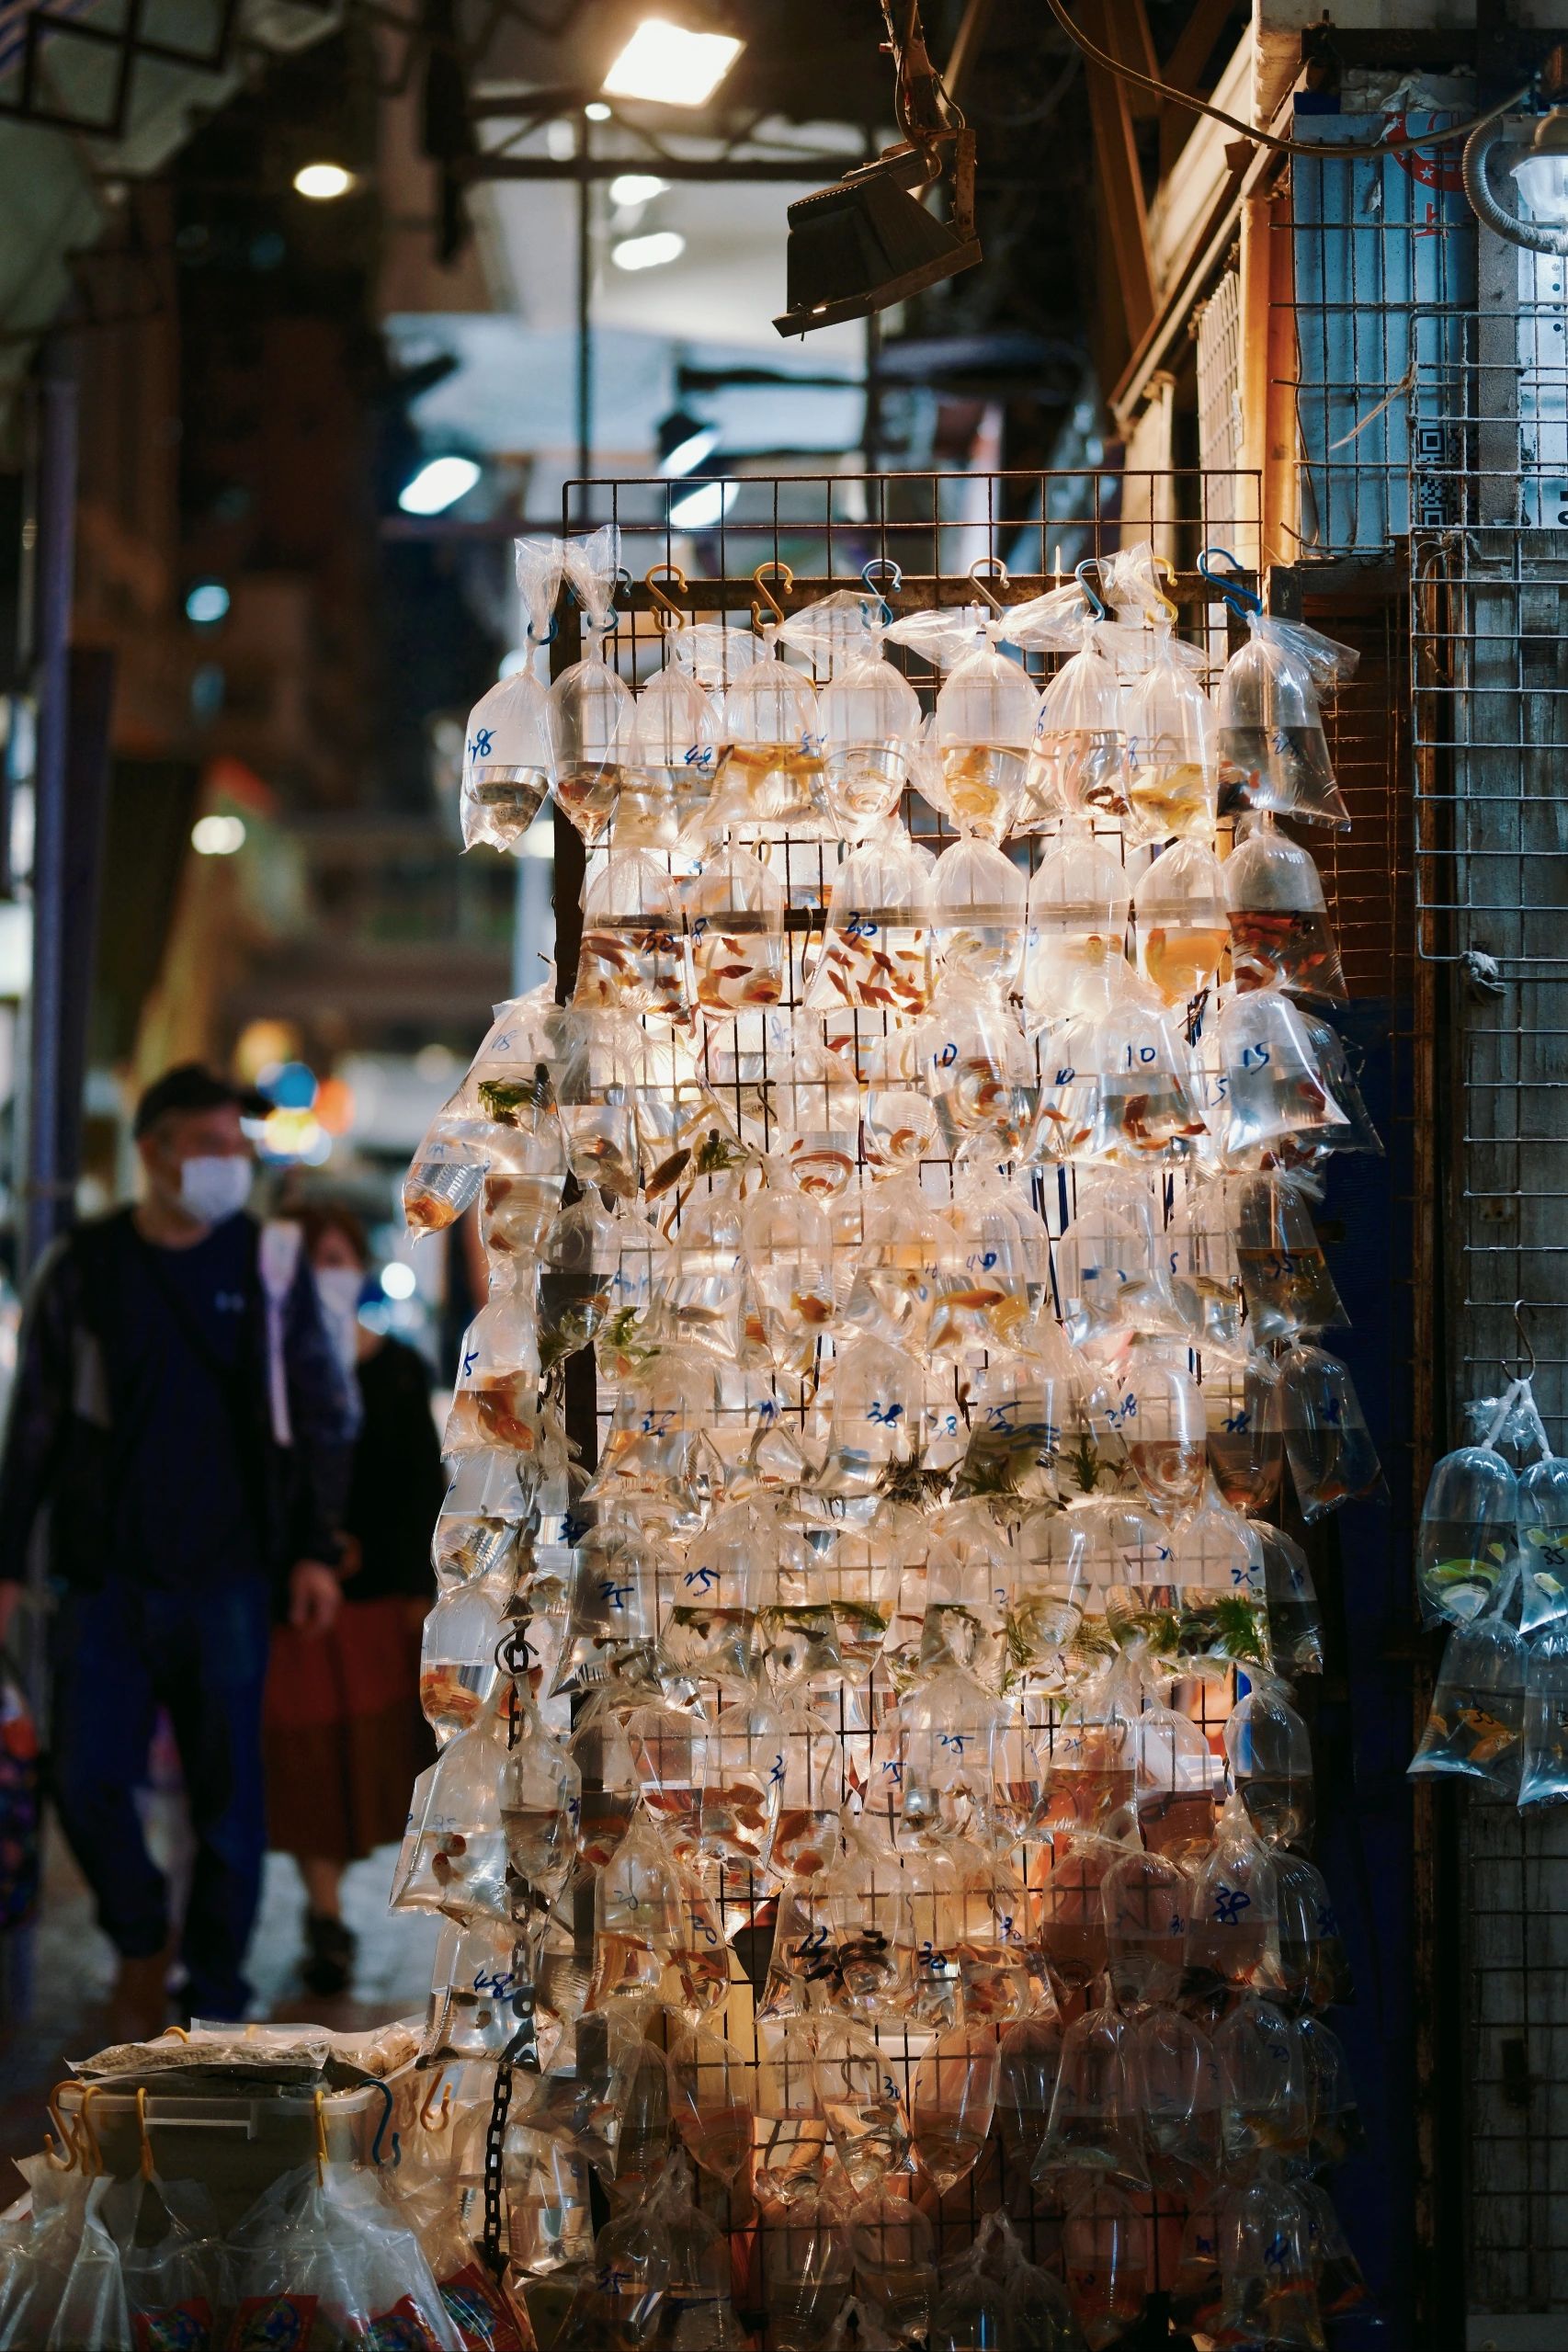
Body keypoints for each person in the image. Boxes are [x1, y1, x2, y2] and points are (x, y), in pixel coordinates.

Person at [0, 1063, 355, 2029]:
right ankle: (140, 1927)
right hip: (104, 1575)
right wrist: (6, 1560)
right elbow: (33, 1421)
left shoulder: (269, 1264)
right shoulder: (87, 1265)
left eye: (235, 1151)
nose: (225, 1167)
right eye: (208, 1147)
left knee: (228, 1805)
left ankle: (217, 1993)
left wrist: (315, 1549)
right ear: (153, 1153)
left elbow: (322, 1414)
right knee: (83, 1775)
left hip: (231, 1577)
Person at [263, 1203, 442, 1996]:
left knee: (372, 1763)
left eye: (337, 1256)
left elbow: (421, 1491)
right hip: (300, 1608)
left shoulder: (398, 1368)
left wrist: (421, 1589)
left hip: (377, 1609)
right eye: (313, 1259)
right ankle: (324, 1913)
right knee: (306, 1764)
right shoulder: (269, 1369)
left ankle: (341, 1909)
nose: (327, 1273)